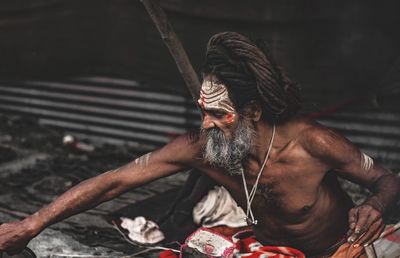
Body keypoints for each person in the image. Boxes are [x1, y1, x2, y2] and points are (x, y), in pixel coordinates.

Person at [0, 32, 399, 257]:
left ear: (254, 112)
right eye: (203, 111)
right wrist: (31, 224)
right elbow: (113, 182)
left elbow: (387, 181)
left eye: (220, 114)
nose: (206, 124)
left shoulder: (313, 143)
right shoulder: (204, 148)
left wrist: (373, 208)